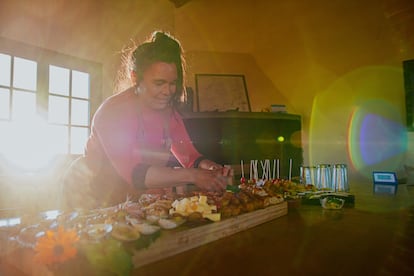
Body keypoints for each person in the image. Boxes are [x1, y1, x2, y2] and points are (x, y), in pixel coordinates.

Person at [62, 31, 233, 210]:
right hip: (89, 194)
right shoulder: (112, 113)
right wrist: (194, 176)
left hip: (133, 197)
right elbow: (134, 173)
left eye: (172, 83)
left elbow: (189, 155)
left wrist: (209, 168)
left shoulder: (169, 112)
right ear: (135, 77)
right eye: (159, 83)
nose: (168, 91)